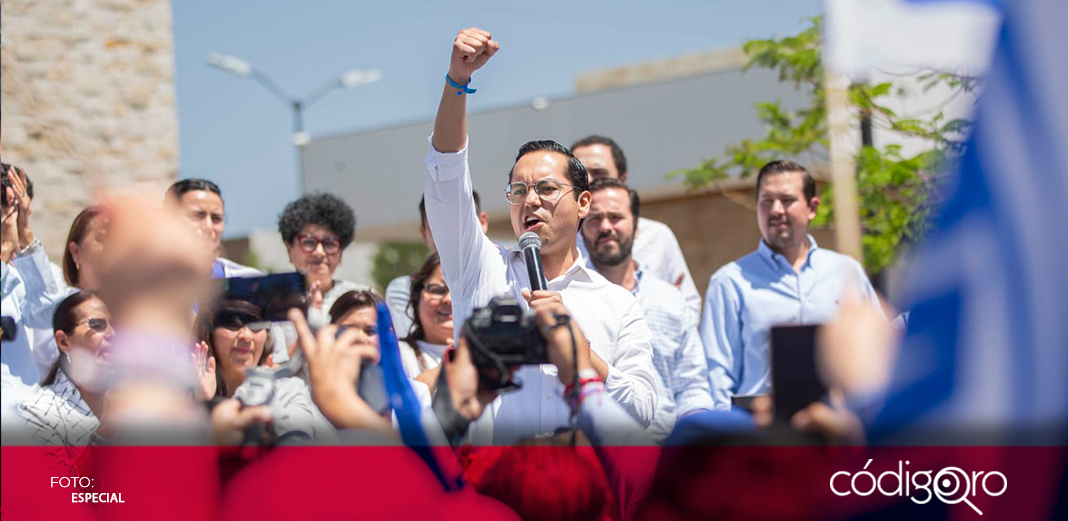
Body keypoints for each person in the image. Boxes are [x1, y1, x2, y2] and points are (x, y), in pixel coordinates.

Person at [423, 27, 657, 443]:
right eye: (518, 191)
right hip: (492, 476)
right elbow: (446, 173)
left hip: (580, 477)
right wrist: (457, 82)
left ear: (583, 202)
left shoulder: (618, 304)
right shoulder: (479, 268)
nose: (530, 201)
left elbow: (642, 410)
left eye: (547, 189)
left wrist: (581, 353)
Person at [700, 160, 879, 408]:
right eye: (766, 201)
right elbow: (716, 375)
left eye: (787, 200)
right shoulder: (729, 282)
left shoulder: (847, 272)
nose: (776, 210)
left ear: (812, 207)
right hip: (763, 425)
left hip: (839, 419)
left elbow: (876, 351)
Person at [580, 178, 717, 441]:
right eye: (595, 219)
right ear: (582, 228)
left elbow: (692, 386)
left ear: (637, 227)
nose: (605, 227)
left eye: (616, 217)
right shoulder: (572, 298)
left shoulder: (669, 299)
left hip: (668, 448)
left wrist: (693, 440)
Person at [571, 135, 701, 321]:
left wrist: (666, 310)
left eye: (599, 173)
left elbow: (688, 304)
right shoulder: (562, 243)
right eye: (580, 176)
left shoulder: (657, 236)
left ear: (622, 178)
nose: (588, 182)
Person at [194, 298, 333, 441]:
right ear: (210, 332)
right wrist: (205, 406)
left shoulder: (286, 390)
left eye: (257, 324)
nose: (246, 336)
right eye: (232, 323)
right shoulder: (187, 395)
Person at [18, 291, 113, 477]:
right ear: (64, 342)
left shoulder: (142, 399)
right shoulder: (38, 413)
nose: (112, 333)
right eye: (97, 325)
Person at [384, 193, 488, 337]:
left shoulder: (507, 280)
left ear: (482, 222)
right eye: (438, 227)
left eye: (461, 224)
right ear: (424, 233)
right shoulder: (403, 290)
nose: (450, 236)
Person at [277, 193, 367, 315]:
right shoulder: (272, 303)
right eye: (309, 242)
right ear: (289, 248)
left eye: (330, 244)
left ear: (341, 252)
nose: (319, 252)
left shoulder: (363, 299)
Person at [165, 178, 260, 278]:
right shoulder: (154, 281)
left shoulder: (250, 280)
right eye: (197, 216)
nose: (208, 227)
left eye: (216, 218)